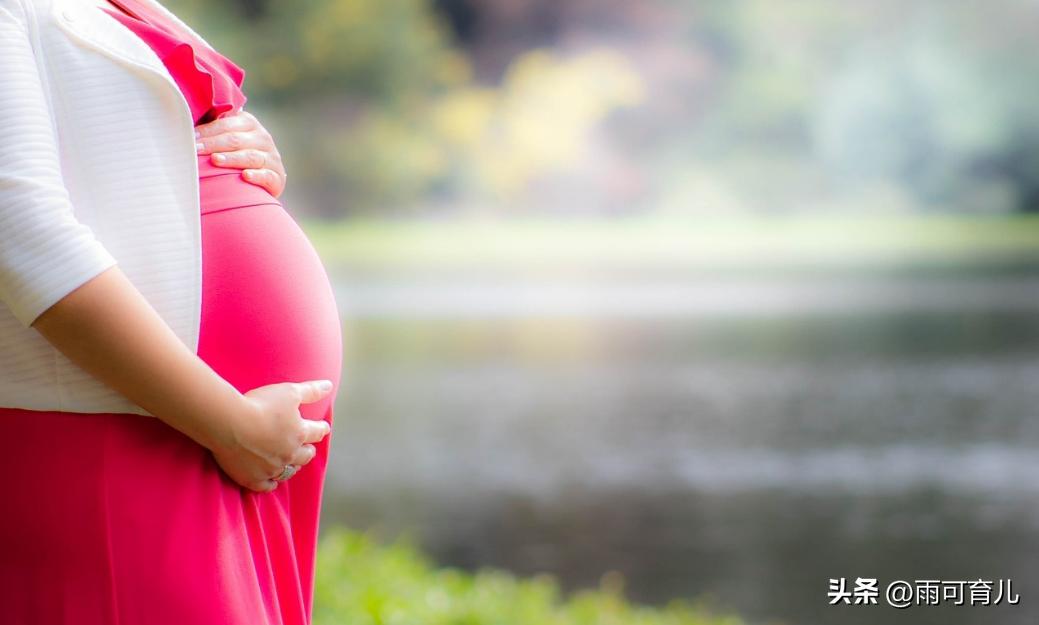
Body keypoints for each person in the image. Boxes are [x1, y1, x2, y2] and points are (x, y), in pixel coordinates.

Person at [0, 0, 343, 623]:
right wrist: (230, 424)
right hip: (130, 428)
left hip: (207, 432)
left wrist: (245, 152)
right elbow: (19, 234)